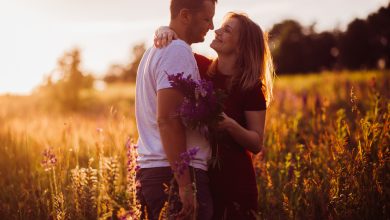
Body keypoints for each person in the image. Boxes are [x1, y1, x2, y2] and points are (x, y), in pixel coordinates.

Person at [154, 12, 275, 219]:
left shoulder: (251, 87)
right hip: (200, 175)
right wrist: (164, 31)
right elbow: (176, 46)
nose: (216, 31)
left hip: (235, 182)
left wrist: (229, 125)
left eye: (227, 30)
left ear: (241, 46)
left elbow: (256, 143)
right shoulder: (198, 66)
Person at [134, 0, 217, 219]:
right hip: (173, 173)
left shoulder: (154, 51)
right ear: (185, 16)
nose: (212, 27)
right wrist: (185, 185)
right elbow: (168, 120)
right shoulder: (177, 51)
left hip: (157, 171)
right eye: (207, 18)